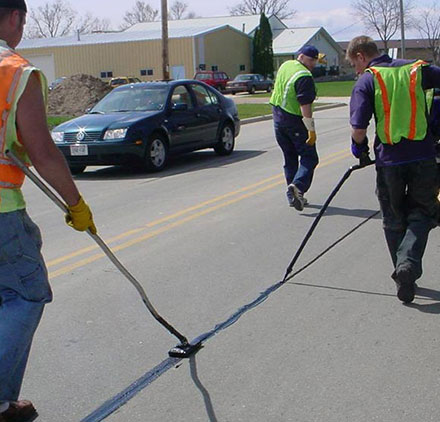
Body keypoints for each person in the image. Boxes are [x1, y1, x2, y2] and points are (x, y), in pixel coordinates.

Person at [0, 1, 97, 421]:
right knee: (26, 294)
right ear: (15, 17)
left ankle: (6, 403)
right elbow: (41, 151)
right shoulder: (15, 71)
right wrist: (76, 203)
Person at [346, 35, 440, 304]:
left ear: (362, 56)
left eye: (354, 64)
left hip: (389, 161)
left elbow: (359, 129)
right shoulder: (417, 70)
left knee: (393, 218)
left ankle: (403, 271)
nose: (356, 69)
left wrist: (359, 150)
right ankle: (407, 266)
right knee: (423, 213)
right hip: (423, 156)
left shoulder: (368, 79)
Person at [270, 45, 324, 211]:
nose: (313, 63)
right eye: (311, 60)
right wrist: (311, 129)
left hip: (278, 118)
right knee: (310, 157)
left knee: (290, 158)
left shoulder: (286, 65)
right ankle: (298, 188)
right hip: (294, 120)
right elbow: (304, 105)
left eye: (315, 60)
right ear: (301, 57)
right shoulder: (304, 76)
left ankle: (293, 197)